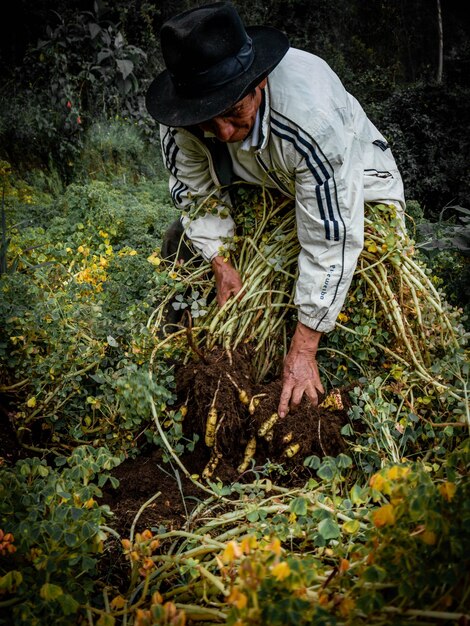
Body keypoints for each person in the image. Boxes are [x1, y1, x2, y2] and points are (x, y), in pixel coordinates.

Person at [145, 1, 405, 419]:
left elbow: (331, 235)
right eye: (207, 122)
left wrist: (304, 346)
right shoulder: (183, 115)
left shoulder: (313, 117)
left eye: (232, 113)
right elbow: (195, 194)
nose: (224, 133)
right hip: (263, 186)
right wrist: (222, 261)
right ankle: (180, 364)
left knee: (348, 275)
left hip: (356, 185)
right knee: (180, 238)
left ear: (259, 84)